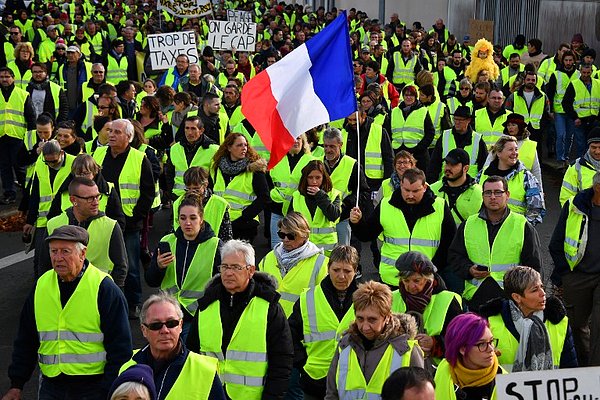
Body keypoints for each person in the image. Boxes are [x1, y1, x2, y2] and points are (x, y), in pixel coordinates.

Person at [2, 225, 131, 400]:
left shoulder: (104, 288)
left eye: (65, 251)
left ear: (82, 254)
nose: (58, 258)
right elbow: (26, 338)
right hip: (51, 385)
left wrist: (108, 389)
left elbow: (120, 348)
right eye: (54, 251)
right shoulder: (42, 286)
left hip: (93, 388)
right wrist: (16, 384)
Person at [187, 239, 294, 400]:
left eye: (236, 267)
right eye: (225, 267)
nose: (229, 273)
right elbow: (192, 354)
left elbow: (282, 359)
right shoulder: (206, 304)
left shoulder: (268, 307)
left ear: (251, 271)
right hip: (209, 394)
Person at [350, 168, 456, 288]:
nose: (410, 195)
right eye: (406, 190)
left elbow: (450, 242)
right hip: (392, 280)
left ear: (425, 187)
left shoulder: (440, 206)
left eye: (415, 191)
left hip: (424, 281)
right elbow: (366, 235)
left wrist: (432, 268)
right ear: (401, 185)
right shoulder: (386, 204)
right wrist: (357, 222)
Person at [93, 118, 155, 319]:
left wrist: (136, 216)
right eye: (110, 131)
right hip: (102, 220)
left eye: (117, 132)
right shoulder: (99, 154)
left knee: (130, 266)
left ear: (128, 137)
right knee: (101, 263)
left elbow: (148, 193)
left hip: (129, 222)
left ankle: (133, 303)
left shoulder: (139, 158)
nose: (111, 134)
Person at [449, 175, 542, 304]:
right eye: (488, 193)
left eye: (498, 192)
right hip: (475, 298)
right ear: (482, 196)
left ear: (507, 195)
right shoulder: (469, 224)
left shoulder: (522, 225)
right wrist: (468, 269)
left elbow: (533, 266)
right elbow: (454, 256)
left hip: (510, 300)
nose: (492, 197)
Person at [325, 281, 425, 399]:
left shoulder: (408, 351)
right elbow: (332, 394)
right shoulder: (344, 345)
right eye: (360, 319)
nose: (365, 327)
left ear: (387, 317)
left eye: (372, 320)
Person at [120, 292, 225, 400]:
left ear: (180, 326)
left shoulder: (205, 370)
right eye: (156, 325)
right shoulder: (127, 365)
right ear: (144, 330)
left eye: (171, 324)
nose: (165, 330)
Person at [288, 245, 360, 400]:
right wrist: (303, 364)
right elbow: (289, 336)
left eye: (347, 271)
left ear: (356, 271)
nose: (341, 276)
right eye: (336, 270)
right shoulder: (307, 299)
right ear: (328, 269)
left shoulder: (367, 300)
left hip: (354, 382)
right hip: (315, 382)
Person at [146, 193, 221, 339]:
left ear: (201, 219)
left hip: (196, 317)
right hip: (167, 316)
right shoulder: (167, 241)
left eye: (193, 218)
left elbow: (220, 287)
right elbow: (151, 280)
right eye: (183, 218)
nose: (187, 223)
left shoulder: (216, 246)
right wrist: (158, 267)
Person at [479, 266, 577, 372]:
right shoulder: (490, 323)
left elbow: (570, 370)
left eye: (542, 287)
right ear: (517, 297)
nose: (543, 293)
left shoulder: (560, 321)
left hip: (549, 387)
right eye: (535, 290)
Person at [549, 171, 600, 366]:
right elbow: (556, 243)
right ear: (597, 188)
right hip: (577, 275)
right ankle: (582, 368)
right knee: (576, 325)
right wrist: (565, 275)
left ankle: (596, 376)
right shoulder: (574, 206)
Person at [44, 177, 127, 287]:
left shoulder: (110, 226)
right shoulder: (53, 224)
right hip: (61, 289)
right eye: (90, 198)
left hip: (99, 291)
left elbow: (121, 267)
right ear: (73, 200)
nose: (96, 202)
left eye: (97, 197)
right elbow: (44, 265)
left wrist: (111, 292)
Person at [392, 251, 463, 363]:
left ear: (428, 279)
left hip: (437, 370)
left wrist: (434, 344)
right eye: (406, 281)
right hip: (398, 366)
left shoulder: (448, 300)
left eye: (416, 280)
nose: (411, 286)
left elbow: (461, 339)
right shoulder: (391, 297)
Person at [258, 212, 328, 317]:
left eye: (291, 236)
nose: (285, 239)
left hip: (302, 324)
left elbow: (325, 301)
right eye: (281, 234)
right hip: (271, 322)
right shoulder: (268, 258)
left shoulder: (321, 263)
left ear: (305, 235)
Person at [24, 140, 75, 277]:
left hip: (65, 218)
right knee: (40, 259)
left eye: (54, 161)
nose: (51, 165)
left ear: (62, 153)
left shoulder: (74, 163)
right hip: (44, 219)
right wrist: (30, 220)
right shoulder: (41, 162)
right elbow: (35, 193)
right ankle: (40, 289)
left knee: (64, 258)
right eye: (48, 162)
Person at [210, 132, 269, 242]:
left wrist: (244, 217)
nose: (244, 148)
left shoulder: (255, 170)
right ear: (229, 147)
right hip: (219, 221)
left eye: (245, 145)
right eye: (239, 145)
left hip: (244, 225)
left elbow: (264, 198)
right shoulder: (217, 167)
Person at [434, 313, 505, 400]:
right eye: (482, 344)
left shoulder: (506, 382)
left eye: (491, 341)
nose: (491, 349)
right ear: (463, 349)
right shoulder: (440, 372)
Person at [477, 135, 545, 225]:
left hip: (513, 233)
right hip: (485, 230)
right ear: (498, 153)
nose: (515, 153)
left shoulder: (526, 177)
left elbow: (536, 209)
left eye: (516, 149)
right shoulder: (483, 174)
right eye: (510, 150)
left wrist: (523, 228)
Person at [320, 127, 371, 246]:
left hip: (342, 219)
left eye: (332, 146)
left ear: (340, 145)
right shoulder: (317, 163)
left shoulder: (352, 164)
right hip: (320, 220)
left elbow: (363, 192)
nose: (328, 150)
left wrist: (346, 204)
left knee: (342, 257)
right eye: (325, 146)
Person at [267, 134, 315, 249]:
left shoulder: (311, 161)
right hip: (277, 211)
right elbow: (268, 183)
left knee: (298, 248)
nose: (296, 141)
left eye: (298, 138)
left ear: (303, 141)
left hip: (299, 214)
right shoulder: (276, 159)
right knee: (276, 248)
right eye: (292, 138)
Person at [288, 161, 342, 255]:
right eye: (310, 177)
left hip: (326, 251)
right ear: (305, 178)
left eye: (318, 178)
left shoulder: (333, 194)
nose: (314, 182)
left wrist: (320, 195)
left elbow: (334, 216)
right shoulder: (297, 196)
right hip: (303, 249)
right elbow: (289, 223)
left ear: (324, 178)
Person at [0, 66, 36, 204]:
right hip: (1, 137)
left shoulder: (23, 94)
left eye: (7, 76)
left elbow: (31, 117)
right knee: (4, 167)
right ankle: (9, 193)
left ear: (13, 78)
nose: (4, 79)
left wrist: (31, 137)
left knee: (19, 166)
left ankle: (26, 191)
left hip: (18, 137)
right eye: (2, 77)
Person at [427, 105, 487, 182]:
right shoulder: (445, 136)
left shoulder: (478, 140)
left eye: (460, 120)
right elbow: (434, 164)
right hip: (445, 183)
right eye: (455, 119)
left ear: (468, 120)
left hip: (470, 186)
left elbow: (484, 168)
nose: (457, 122)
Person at [165, 116, 219, 200]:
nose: (189, 132)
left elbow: (216, 177)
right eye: (187, 128)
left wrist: (209, 194)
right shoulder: (175, 148)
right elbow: (169, 173)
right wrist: (171, 193)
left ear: (201, 130)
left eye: (193, 129)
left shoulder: (213, 149)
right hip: (178, 196)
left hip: (202, 198)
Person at [171, 166, 232, 242]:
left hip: (210, 249)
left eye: (196, 189)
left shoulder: (220, 204)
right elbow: (175, 231)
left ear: (205, 184)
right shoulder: (177, 203)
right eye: (188, 189)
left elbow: (226, 237)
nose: (191, 192)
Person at [484, 113, 543, 190]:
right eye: (508, 125)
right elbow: (487, 164)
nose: (510, 128)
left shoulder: (530, 145)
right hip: (499, 185)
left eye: (513, 125)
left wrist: (540, 190)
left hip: (523, 185)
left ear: (521, 127)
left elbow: (536, 171)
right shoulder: (501, 142)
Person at [430, 148, 483, 226]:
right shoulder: (432, 189)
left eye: (453, 165)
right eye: (447, 163)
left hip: (465, 237)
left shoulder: (480, 193)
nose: (447, 168)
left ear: (465, 168)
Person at [546, 50, 580, 166]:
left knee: (570, 136)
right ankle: (560, 158)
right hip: (559, 110)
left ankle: (566, 156)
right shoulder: (556, 74)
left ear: (574, 61)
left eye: (570, 60)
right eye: (566, 60)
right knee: (561, 135)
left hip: (573, 111)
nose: (568, 62)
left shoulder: (579, 74)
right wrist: (550, 110)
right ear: (563, 61)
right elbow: (550, 93)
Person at [389, 85, 435, 170]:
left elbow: (430, 133)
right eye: (406, 95)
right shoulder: (394, 111)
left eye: (411, 95)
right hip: (397, 151)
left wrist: (419, 148)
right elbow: (389, 131)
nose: (408, 97)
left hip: (417, 154)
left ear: (415, 97)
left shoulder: (423, 111)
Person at [562, 63, 600, 160]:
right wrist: (574, 117)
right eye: (584, 72)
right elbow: (566, 103)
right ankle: (581, 165)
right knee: (581, 145)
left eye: (588, 72)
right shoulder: (574, 84)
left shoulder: (598, 83)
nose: (586, 75)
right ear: (580, 72)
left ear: (591, 72)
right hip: (580, 120)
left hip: (594, 120)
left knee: (593, 145)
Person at [559, 127, 600, 206]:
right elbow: (565, 200)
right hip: (584, 216)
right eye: (594, 147)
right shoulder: (576, 167)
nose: (597, 151)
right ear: (588, 147)